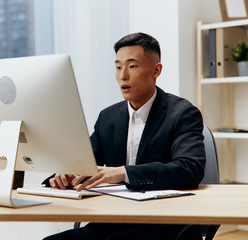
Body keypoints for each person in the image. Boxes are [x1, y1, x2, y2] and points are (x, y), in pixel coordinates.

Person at [42, 32, 206, 240]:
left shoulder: (183, 113)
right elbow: (85, 163)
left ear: (156, 70)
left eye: (132, 66)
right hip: (111, 220)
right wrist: (65, 174)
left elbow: (189, 169)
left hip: (163, 224)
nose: (123, 76)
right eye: (118, 67)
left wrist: (124, 173)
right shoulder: (108, 117)